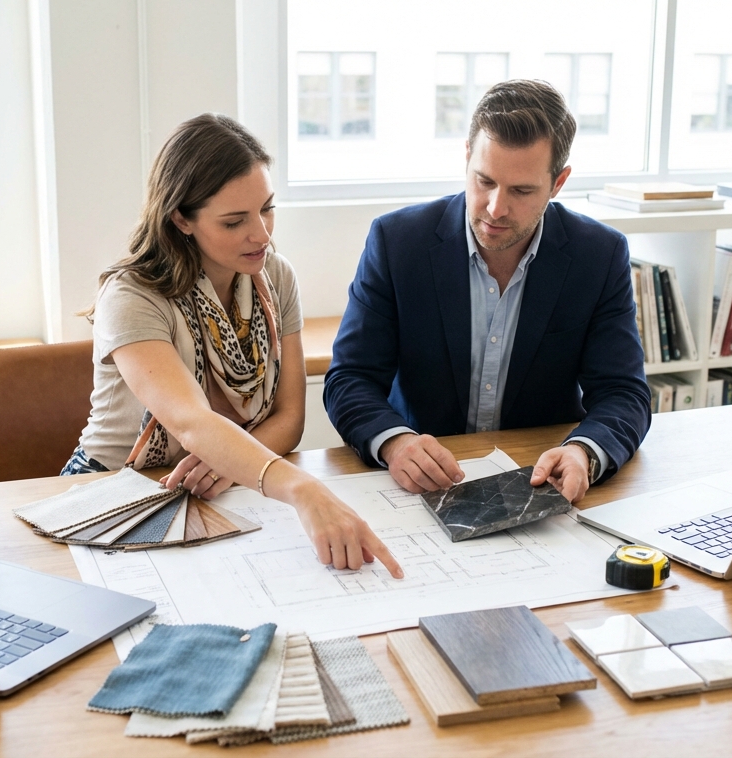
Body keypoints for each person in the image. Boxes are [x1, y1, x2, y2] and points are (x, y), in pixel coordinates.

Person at [66, 113, 401, 577]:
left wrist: (230, 465)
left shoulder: (276, 276)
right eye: (234, 221)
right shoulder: (130, 295)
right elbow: (191, 423)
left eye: (267, 208)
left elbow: (290, 419)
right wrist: (305, 490)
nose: (262, 234)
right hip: (112, 488)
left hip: (218, 489)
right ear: (181, 218)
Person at [323, 79, 650, 503]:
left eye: (521, 191)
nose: (496, 208)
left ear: (558, 182)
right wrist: (394, 442)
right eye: (484, 181)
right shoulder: (398, 242)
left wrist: (584, 451)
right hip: (419, 485)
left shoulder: (599, 255)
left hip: (535, 483)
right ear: (466, 157)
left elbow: (624, 392)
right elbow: (351, 377)